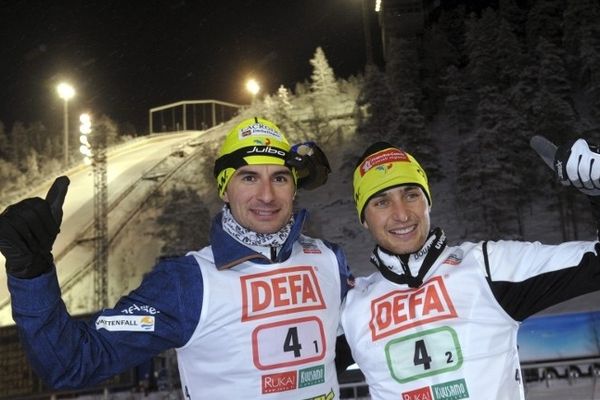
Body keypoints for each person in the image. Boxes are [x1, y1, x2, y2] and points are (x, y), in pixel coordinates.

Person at [0, 117, 353, 399]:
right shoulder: (187, 284)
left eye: (279, 177)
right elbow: (74, 363)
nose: (266, 194)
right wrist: (31, 274)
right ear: (225, 189)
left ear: (294, 187)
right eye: (249, 177)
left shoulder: (327, 261)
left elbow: (369, 333)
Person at [339, 139, 600, 400]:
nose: (402, 214)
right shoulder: (352, 306)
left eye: (411, 194)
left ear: (428, 201)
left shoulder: (486, 267)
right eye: (382, 202)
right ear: (364, 217)